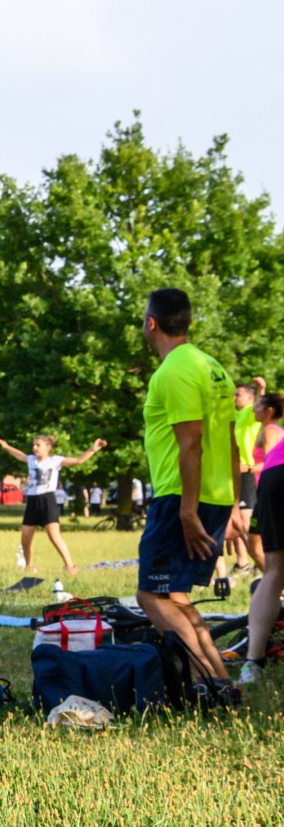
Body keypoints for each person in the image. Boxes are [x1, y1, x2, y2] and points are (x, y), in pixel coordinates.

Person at [136, 287, 236, 689]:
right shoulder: (213, 367)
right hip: (213, 495)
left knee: (151, 596)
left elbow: (191, 442)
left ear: (151, 322)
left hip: (181, 497)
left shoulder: (174, 370)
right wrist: (232, 507)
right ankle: (222, 683)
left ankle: (206, 686)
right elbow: (231, 443)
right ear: (189, 322)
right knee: (176, 595)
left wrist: (188, 510)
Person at [0, 434, 105, 576]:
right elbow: (19, 455)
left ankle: (70, 566)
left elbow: (77, 461)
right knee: (25, 537)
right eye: (34, 445)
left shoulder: (55, 461)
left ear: (48, 447)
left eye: (38, 445)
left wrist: (93, 449)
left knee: (54, 536)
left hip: (48, 500)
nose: (34, 448)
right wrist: (6, 446)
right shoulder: (31, 460)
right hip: (33, 501)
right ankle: (29, 566)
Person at [239, 392, 284, 686]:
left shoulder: (272, 432)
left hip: (274, 475)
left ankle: (253, 663)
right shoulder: (270, 429)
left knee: (273, 571)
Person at [231, 383, 266, 575]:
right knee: (234, 520)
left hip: (246, 471)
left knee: (246, 521)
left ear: (250, 399)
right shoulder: (234, 415)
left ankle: (261, 559)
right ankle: (242, 562)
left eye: (238, 395)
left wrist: (261, 390)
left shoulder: (249, 414)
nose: (234, 397)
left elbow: (261, 407)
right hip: (232, 472)